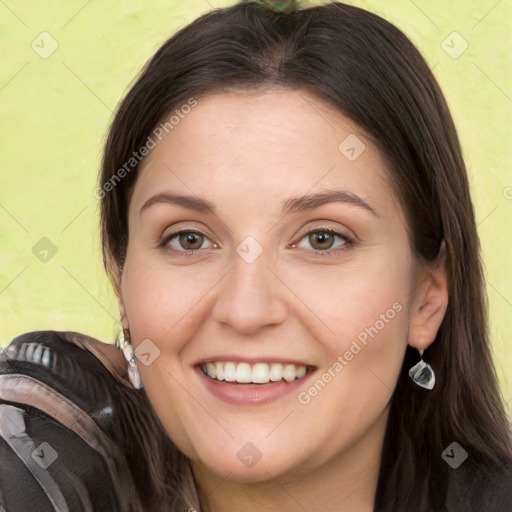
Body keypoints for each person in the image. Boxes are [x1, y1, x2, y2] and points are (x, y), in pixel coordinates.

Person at [1, 1, 511, 511]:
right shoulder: (37, 459)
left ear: (426, 299)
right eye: (189, 239)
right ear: (121, 276)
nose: (245, 311)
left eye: (322, 239)